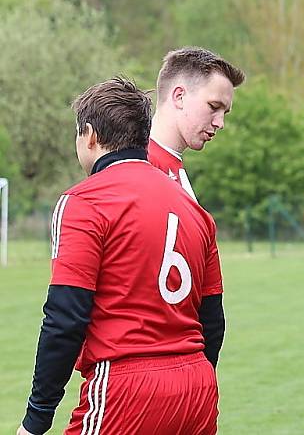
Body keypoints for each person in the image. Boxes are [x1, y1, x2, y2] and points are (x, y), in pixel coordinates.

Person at [17, 77, 225, 435]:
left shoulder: (84, 201)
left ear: (89, 135)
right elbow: (213, 319)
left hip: (126, 386)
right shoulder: (195, 210)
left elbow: (65, 317)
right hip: (198, 385)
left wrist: (37, 417)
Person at [149, 46, 246, 200]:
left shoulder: (173, 169)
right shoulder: (138, 167)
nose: (220, 123)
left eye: (224, 113)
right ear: (179, 96)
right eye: (214, 107)